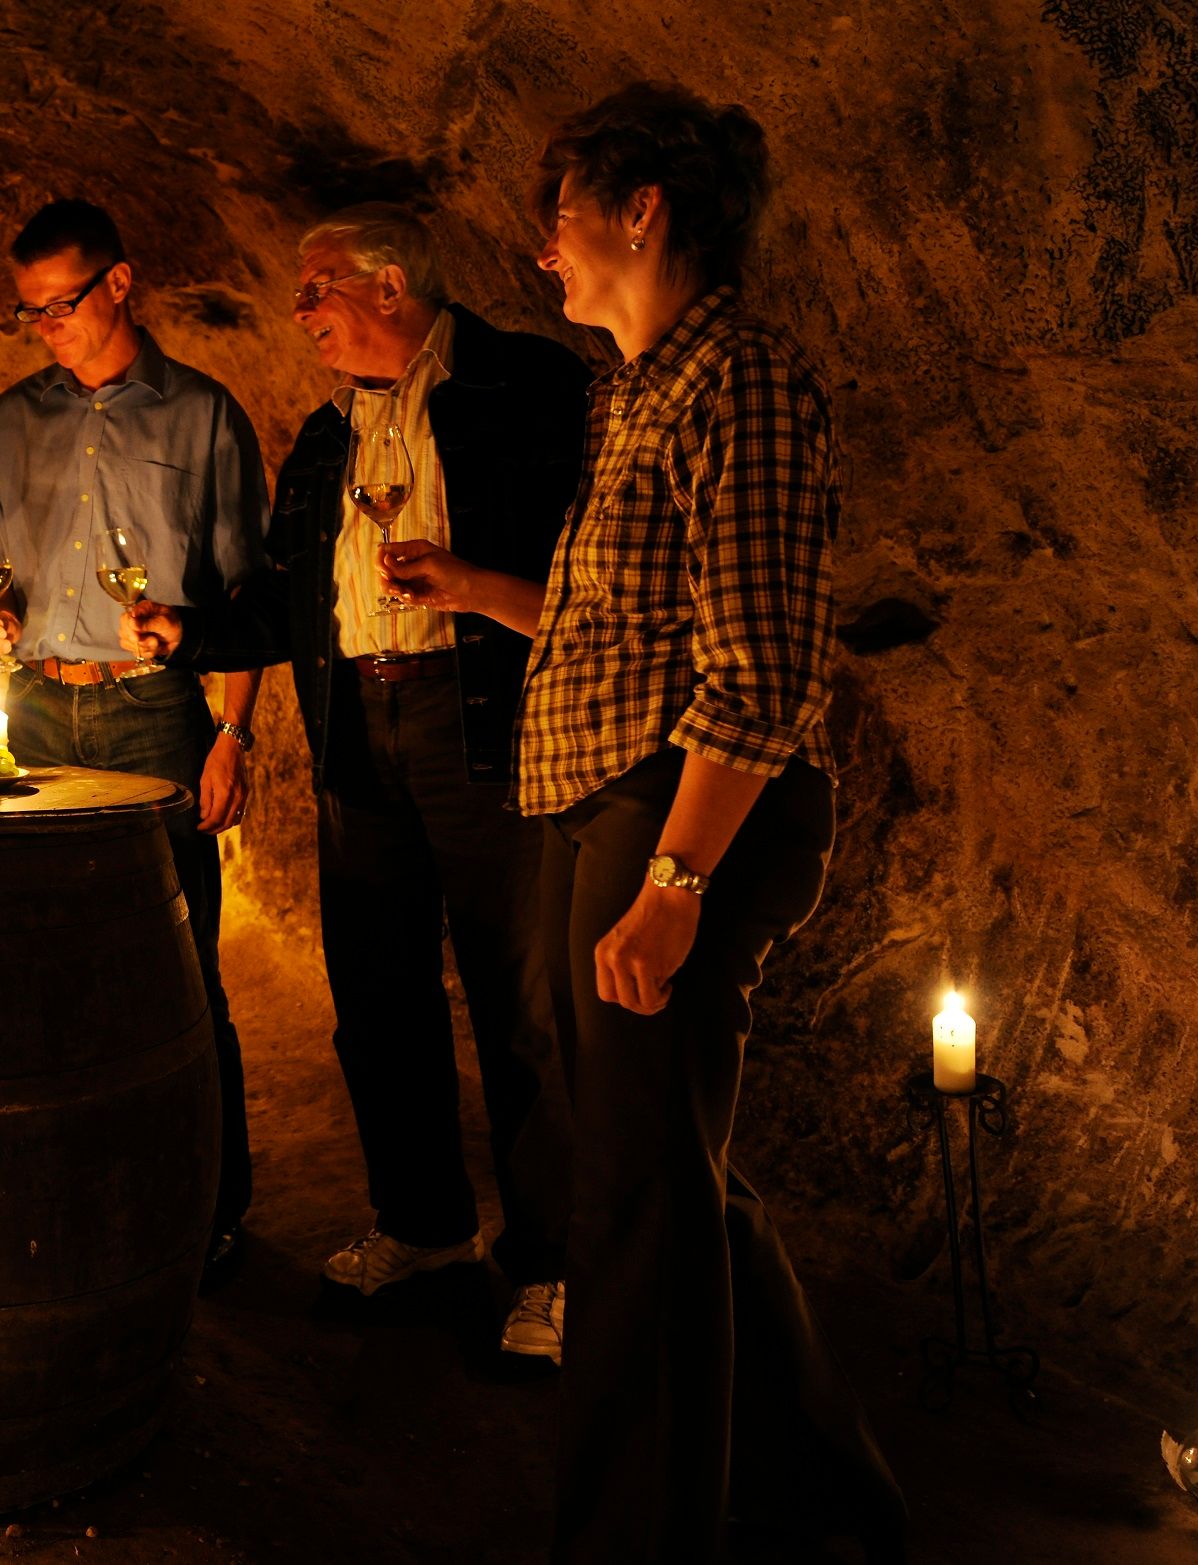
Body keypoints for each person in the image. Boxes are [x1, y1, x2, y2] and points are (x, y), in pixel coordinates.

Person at [380, 84, 905, 1562]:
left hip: (670, 815)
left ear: (641, 209)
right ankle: (821, 1496)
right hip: (603, 799)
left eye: (560, 211)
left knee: (631, 1196)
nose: (543, 247)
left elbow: (762, 670)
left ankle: (633, 1530)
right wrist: (486, 592)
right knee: (669, 1168)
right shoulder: (633, 390)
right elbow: (627, 623)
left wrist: (676, 877)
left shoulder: (740, 383)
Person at [124, 205, 588, 1359]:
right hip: (356, 722)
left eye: (317, 284)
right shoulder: (330, 438)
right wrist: (189, 635)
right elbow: (294, 600)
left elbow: (591, 569)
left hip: (481, 716)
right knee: (377, 992)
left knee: (518, 1000)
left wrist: (474, 580)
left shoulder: (521, 386)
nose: (299, 310)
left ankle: (554, 1262)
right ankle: (425, 1223)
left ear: (389, 285)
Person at [0, 199, 267, 1289]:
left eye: (64, 301)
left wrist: (230, 733)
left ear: (122, 282)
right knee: (45, 963)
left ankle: (212, 1204)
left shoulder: (202, 417)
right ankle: (77, 1193)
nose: (47, 324)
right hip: (44, 709)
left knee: (179, 967)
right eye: (30, 310)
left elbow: (243, 598)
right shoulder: (14, 418)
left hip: (152, 711)